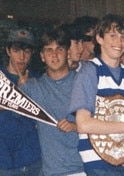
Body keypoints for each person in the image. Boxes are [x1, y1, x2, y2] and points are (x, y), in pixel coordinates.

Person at [68, 14, 124, 176]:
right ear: (99, 38)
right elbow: (84, 124)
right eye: (113, 35)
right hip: (101, 166)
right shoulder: (89, 72)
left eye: (123, 37)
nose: (119, 42)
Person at [20, 27, 85, 175]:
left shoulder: (83, 82)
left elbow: (104, 120)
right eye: (49, 50)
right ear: (42, 56)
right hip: (51, 172)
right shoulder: (33, 87)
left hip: (83, 169)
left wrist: (76, 126)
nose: (54, 55)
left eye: (59, 49)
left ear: (67, 52)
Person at [0, 29, 42, 176]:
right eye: (17, 50)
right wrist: (19, 92)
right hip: (4, 162)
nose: (22, 57)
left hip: (33, 159)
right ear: (8, 51)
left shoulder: (38, 80)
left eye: (27, 51)